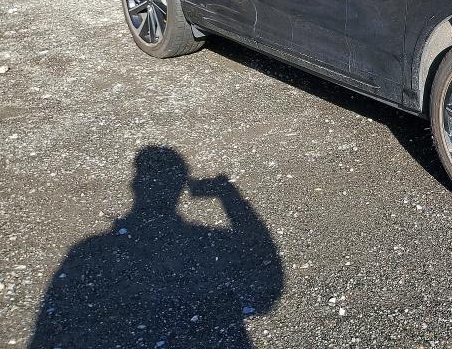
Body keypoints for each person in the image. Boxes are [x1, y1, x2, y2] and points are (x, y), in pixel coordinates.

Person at [29, 146, 283, 348]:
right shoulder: (210, 243)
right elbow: (266, 284)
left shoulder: (89, 252)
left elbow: (51, 328)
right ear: (180, 187)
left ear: (135, 184)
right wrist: (227, 194)